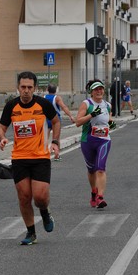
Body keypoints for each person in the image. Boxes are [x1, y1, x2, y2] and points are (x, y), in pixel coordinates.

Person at [0, 71, 60, 245]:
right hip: (20, 158)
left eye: (29, 87)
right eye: (23, 87)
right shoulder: (11, 106)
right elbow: (1, 127)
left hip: (40, 157)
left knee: (39, 197)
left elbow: (55, 121)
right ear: (18, 87)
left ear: (35, 88)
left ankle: (45, 212)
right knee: (24, 196)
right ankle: (31, 232)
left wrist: (54, 141)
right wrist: (1, 138)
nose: (26, 91)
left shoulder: (43, 104)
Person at [75, 79, 113, 209]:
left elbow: (109, 120)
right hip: (88, 141)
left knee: (100, 168)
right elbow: (78, 122)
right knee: (91, 170)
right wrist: (91, 114)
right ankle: (94, 192)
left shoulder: (108, 105)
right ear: (91, 92)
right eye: (96, 89)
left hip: (104, 140)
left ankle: (100, 197)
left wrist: (112, 124)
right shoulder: (87, 104)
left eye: (101, 89)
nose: (99, 91)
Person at [44, 84, 75, 160]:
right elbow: (63, 107)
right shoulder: (57, 98)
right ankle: (57, 155)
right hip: (56, 120)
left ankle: (44, 154)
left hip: (47, 119)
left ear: (48, 89)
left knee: (45, 138)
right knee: (56, 138)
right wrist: (70, 116)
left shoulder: (44, 98)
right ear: (56, 90)